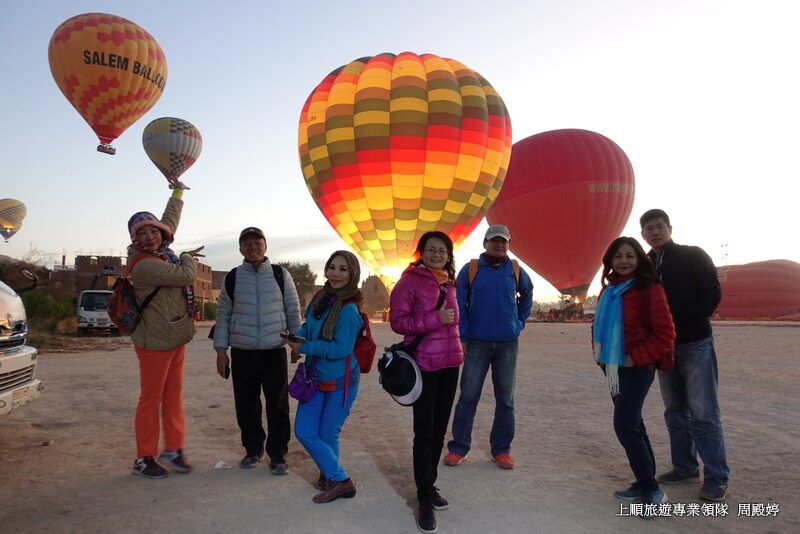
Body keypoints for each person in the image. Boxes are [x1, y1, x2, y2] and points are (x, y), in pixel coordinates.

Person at [640, 209, 730, 502]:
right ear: (643, 234)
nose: (655, 232)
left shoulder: (692, 255)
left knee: (703, 412)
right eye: (649, 228)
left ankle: (716, 476)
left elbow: (711, 293)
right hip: (664, 349)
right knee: (675, 411)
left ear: (669, 228)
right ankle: (684, 466)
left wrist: (690, 323)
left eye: (659, 226)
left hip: (694, 344)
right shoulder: (646, 264)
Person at [127, 182, 204, 478]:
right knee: (151, 400)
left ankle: (173, 449)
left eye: (153, 231)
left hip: (174, 337)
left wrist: (178, 193)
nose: (149, 236)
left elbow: (168, 220)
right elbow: (186, 274)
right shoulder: (144, 264)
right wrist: (187, 255)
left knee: (173, 396)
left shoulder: (162, 250)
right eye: (141, 233)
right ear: (134, 239)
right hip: (154, 342)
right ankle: (143, 458)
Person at [592, 237, 675, 509]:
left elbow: (665, 334)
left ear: (639, 259)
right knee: (634, 424)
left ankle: (652, 489)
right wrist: (603, 359)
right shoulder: (609, 291)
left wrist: (633, 359)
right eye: (618, 256)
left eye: (629, 256)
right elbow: (598, 327)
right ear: (610, 261)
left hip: (637, 368)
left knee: (624, 424)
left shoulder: (650, 289)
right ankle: (644, 481)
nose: (624, 261)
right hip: (613, 368)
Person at [390, 231, 463, 534]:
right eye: (431, 249)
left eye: (442, 250)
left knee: (438, 432)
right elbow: (398, 322)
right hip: (425, 364)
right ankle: (424, 499)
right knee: (424, 432)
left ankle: (429, 485)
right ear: (420, 252)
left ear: (448, 255)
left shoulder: (450, 282)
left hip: (450, 364)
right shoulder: (409, 281)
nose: (436, 254)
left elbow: (456, 320)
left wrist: (460, 344)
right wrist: (436, 320)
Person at [213, 227, 302, 475]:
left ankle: (278, 455)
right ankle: (253, 450)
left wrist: (296, 344)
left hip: (274, 350)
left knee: (278, 404)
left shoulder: (279, 274)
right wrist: (221, 351)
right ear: (240, 249)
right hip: (243, 351)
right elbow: (223, 315)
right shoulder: (232, 278)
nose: (252, 247)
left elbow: (292, 309)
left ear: (265, 246)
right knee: (246, 404)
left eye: (257, 242)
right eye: (247, 243)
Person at [445, 224, 533, 470]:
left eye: (503, 242)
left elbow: (527, 294)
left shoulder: (515, 270)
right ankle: (458, 448)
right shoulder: (471, 270)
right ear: (485, 243)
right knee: (468, 397)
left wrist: (519, 323)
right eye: (494, 241)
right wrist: (463, 334)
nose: (499, 245)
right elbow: (458, 303)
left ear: (508, 244)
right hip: (477, 343)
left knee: (505, 399)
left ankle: (501, 450)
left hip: (507, 343)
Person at [285, 250, 363, 504]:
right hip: (316, 376)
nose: (336, 274)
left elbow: (341, 349)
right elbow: (309, 326)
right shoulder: (321, 298)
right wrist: (297, 337)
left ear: (352, 274)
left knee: (328, 434)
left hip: (341, 381)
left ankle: (339, 481)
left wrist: (305, 347)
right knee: (305, 431)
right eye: (332, 267)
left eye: (343, 269)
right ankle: (333, 474)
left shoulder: (350, 310)